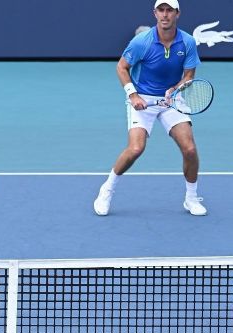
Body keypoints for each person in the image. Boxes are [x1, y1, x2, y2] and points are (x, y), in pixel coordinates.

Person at [94, 0, 207, 216]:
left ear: (177, 14)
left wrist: (175, 90)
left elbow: (190, 76)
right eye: (161, 10)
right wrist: (133, 95)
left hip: (171, 99)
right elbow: (121, 67)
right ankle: (106, 190)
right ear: (155, 13)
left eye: (169, 10)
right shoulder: (141, 42)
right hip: (142, 98)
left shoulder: (188, 42)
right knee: (136, 149)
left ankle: (191, 199)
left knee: (190, 149)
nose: (165, 15)